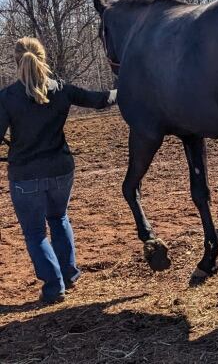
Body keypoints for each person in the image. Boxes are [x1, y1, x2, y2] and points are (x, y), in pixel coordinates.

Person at [0, 37, 117, 303]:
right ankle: (69, 274)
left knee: (35, 233)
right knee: (59, 218)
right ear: (43, 58)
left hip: (25, 175)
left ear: (17, 61)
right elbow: (100, 100)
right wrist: (125, 86)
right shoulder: (61, 89)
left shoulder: (7, 98)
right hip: (61, 169)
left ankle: (54, 288)